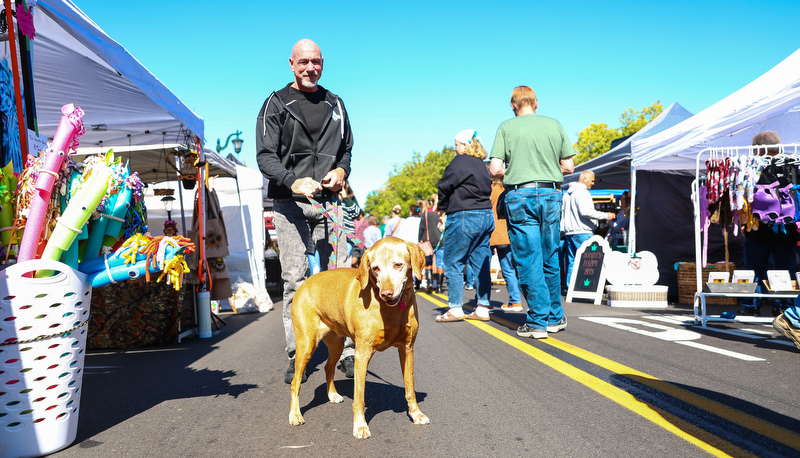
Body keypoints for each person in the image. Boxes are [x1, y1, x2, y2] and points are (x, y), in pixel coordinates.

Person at [256, 38, 356, 383]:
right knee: (295, 280)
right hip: (289, 204)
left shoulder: (336, 103)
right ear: (291, 64)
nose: (310, 68)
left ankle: (345, 352)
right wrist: (291, 180)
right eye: (303, 63)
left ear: (323, 62)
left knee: (342, 279)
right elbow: (264, 156)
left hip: (331, 206)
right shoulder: (276, 104)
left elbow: (346, 152)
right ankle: (297, 352)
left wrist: (341, 172)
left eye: (315, 62)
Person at [489, 85, 575, 339]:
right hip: (550, 194)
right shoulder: (554, 124)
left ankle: (537, 322)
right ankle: (554, 318)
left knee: (528, 258)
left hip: (520, 196)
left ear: (513, 106)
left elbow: (494, 170)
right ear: (536, 103)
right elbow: (568, 166)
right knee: (550, 255)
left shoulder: (506, 127)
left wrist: (516, 169)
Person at [435, 130, 494, 322]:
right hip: (486, 215)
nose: (455, 148)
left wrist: (442, 211)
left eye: (457, 144)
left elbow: (444, 186)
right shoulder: (482, 165)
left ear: (466, 145)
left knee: (453, 261)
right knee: (481, 262)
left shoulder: (459, 161)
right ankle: (483, 307)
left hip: (463, 215)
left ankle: (455, 308)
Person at [741, 131, 799, 317]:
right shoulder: (792, 166)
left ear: (760, 148)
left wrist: (744, 222)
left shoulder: (754, 168)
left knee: (754, 270)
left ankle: (752, 305)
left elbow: (746, 198)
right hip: (786, 228)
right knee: (784, 270)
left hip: (760, 229)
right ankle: (783, 306)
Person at [562, 170, 616, 285]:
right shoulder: (582, 192)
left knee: (572, 261)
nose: (593, 184)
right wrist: (606, 215)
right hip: (583, 231)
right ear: (584, 178)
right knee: (589, 262)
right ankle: (586, 287)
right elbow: (586, 212)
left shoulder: (567, 194)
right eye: (592, 181)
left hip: (569, 232)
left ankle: (570, 287)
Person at [489, 171, 523, 312]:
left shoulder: (491, 191)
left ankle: (483, 302)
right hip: (508, 233)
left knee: (484, 267)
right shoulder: (507, 190)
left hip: (493, 233)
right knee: (509, 269)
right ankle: (515, 301)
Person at [419, 197, 443, 292]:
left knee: (428, 263)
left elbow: (422, 227)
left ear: (431, 202)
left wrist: (420, 239)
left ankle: (429, 283)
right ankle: (439, 287)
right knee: (440, 264)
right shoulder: (443, 213)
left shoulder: (425, 213)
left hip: (428, 240)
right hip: (441, 241)